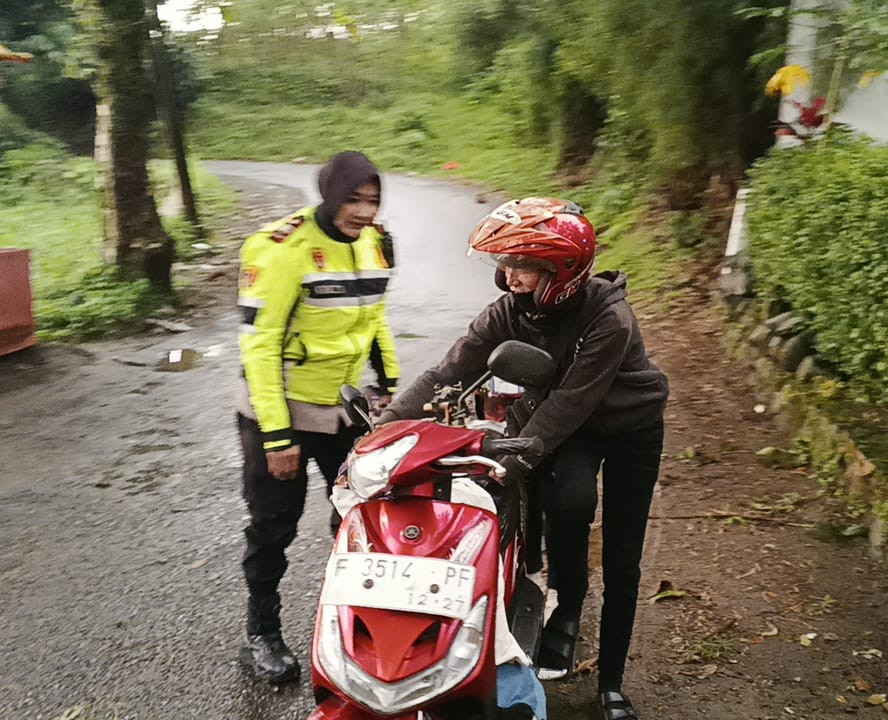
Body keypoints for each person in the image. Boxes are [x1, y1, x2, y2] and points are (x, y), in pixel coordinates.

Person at [379, 197, 669, 720]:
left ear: (561, 271)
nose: (509, 276)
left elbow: (568, 404)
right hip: (574, 424)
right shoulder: (510, 311)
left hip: (629, 427)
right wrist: (386, 429)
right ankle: (564, 615)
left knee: (625, 555)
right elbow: (450, 371)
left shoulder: (610, 318)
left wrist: (507, 463)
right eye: (506, 264)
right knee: (568, 506)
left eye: (523, 266)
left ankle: (612, 684)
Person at [235, 150, 400, 684]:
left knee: (361, 516)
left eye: (372, 200)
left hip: (346, 409)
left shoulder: (375, 242)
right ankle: (262, 633)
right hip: (280, 411)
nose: (364, 211)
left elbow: (375, 321)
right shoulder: (282, 248)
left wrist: (393, 391)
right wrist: (277, 437)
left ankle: (356, 621)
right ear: (330, 196)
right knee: (274, 524)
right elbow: (259, 347)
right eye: (354, 199)